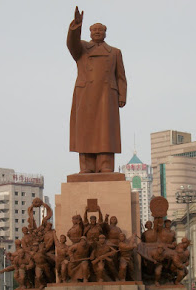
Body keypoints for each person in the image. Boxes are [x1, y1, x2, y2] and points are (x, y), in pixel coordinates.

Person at [67, 6, 127, 173]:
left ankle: (105, 165)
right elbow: (71, 43)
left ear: (105, 33)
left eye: (100, 30)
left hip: (106, 95)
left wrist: (122, 95)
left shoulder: (115, 52)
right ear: (89, 32)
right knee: (85, 131)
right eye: (94, 30)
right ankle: (86, 166)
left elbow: (121, 76)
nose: (98, 32)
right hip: (85, 93)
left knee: (105, 132)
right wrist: (76, 26)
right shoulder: (82, 49)